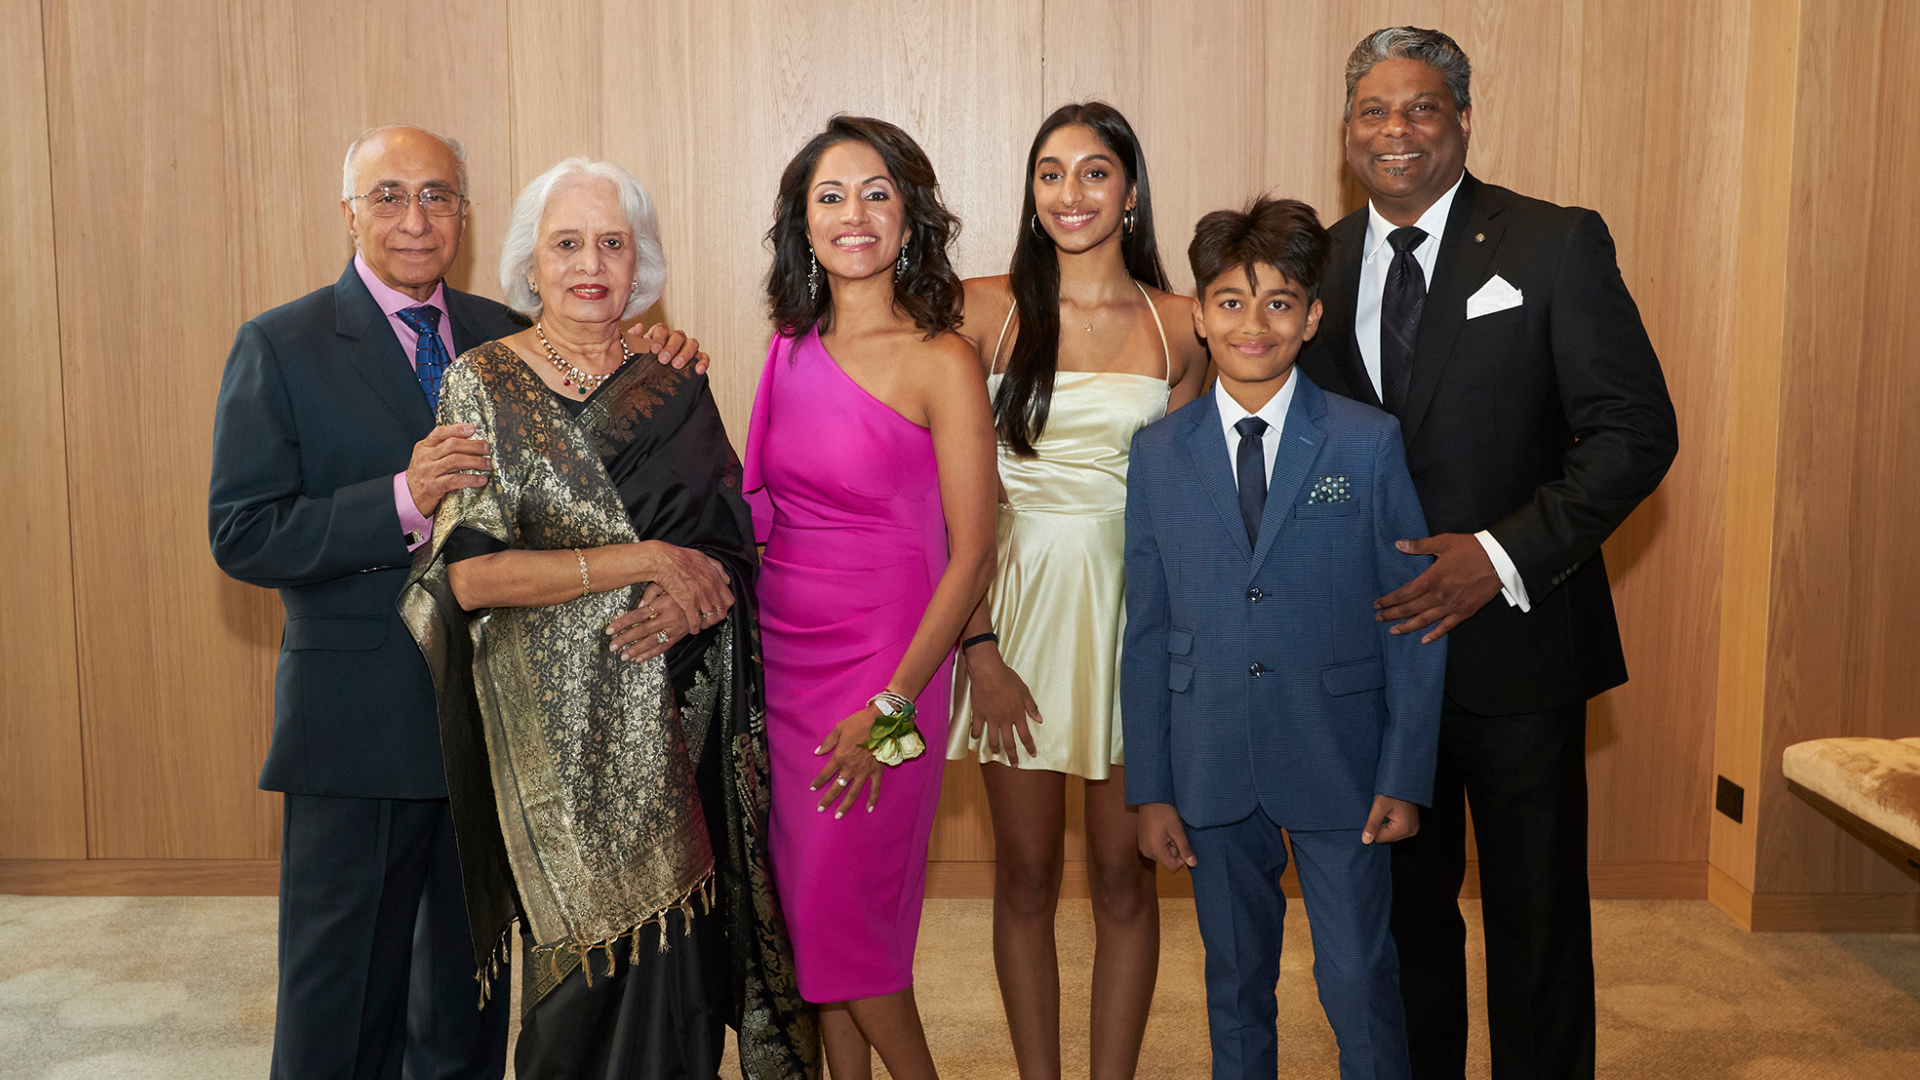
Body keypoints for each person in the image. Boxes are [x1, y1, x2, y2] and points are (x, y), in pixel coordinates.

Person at [207, 125, 704, 1080]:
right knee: (339, 994)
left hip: (501, 726)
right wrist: (403, 498)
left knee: (468, 995)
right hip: (361, 724)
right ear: (348, 211)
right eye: (387, 195)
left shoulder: (505, 335)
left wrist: (653, 346)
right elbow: (244, 534)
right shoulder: (281, 343)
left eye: (438, 195)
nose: (415, 217)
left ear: (467, 217)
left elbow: (598, 418)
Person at [1296, 28, 1679, 1080]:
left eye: (1421, 107)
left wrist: (1498, 556)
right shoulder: (1311, 269)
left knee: (1535, 927)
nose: (1397, 130)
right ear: (1345, 134)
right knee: (1405, 926)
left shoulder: (1554, 244)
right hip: (1373, 663)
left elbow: (1635, 431)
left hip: (1520, 646)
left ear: (1463, 118)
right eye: (1374, 111)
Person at [398, 156, 816, 1079]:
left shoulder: (676, 385)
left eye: (613, 244)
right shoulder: (483, 383)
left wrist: (703, 579)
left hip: (677, 734)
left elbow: (732, 542)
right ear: (530, 265)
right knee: (574, 1003)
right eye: (567, 243)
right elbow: (464, 580)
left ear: (642, 266)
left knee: (682, 991)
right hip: (554, 751)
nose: (591, 263)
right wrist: (641, 562)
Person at [1122, 196, 1444, 1080]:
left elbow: (1412, 616)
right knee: (1233, 983)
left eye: (1277, 303)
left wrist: (1404, 774)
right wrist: (1151, 786)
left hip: (1342, 759)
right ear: (1198, 314)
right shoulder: (1157, 454)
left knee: (1358, 977)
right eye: (1229, 301)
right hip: (1210, 759)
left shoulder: (1366, 442)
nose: (1252, 323)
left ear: (1311, 318)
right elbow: (1145, 630)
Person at [945, 102, 1206, 1080]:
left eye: (1094, 173)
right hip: (1010, 618)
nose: (1071, 194)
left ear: (1130, 191)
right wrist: (976, 644)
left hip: (1134, 627)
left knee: (1123, 877)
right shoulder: (982, 310)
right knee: (1023, 875)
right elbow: (945, 499)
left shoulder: (1180, 326)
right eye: (1050, 173)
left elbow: (1187, 515)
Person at [744, 116, 998, 1080]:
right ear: (802, 225)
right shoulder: (785, 348)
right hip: (786, 661)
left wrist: (893, 709)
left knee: (838, 922)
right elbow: (754, 508)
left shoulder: (944, 358)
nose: (855, 214)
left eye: (877, 193)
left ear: (911, 218)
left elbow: (971, 555)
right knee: (816, 934)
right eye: (831, 197)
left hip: (889, 666)